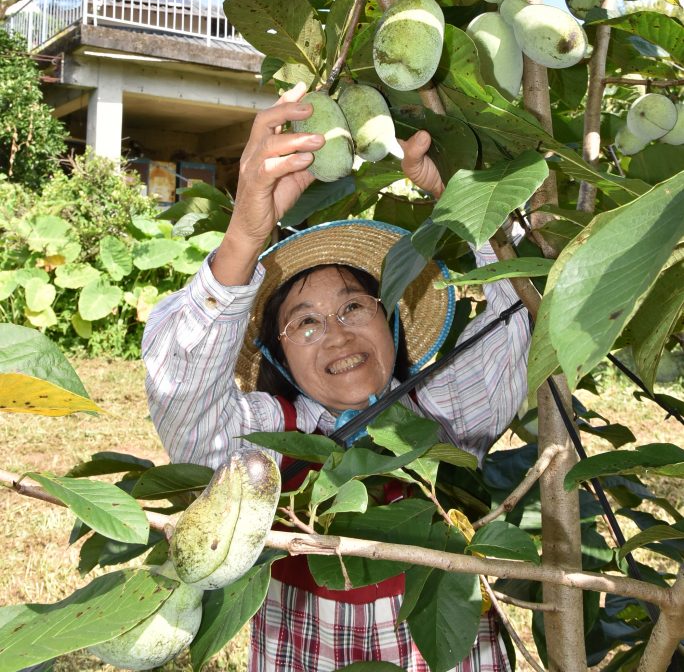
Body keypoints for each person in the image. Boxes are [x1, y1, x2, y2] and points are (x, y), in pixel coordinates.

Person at [142, 83, 531, 672]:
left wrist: (463, 197)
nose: (338, 335)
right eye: (304, 324)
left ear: (393, 322)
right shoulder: (267, 439)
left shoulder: (440, 411)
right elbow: (182, 396)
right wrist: (246, 237)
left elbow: (522, 310)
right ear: (276, 359)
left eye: (355, 306)